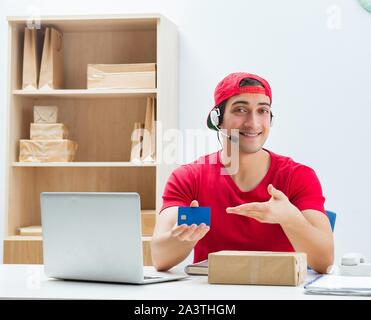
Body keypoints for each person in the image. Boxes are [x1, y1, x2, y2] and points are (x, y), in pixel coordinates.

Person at [151, 72, 334, 274]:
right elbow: (160, 257)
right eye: (240, 109)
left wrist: (291, 218)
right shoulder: (188, 178)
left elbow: (324, 262)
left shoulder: (298, 176)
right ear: (217, 119)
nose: (253, 123)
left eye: (262, 110)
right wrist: (183, 236)